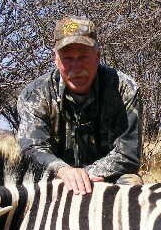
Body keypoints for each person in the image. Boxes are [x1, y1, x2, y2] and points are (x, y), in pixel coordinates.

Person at [17, 16, 143, 195]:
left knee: (132, 184)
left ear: (98, 56)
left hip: (104, 177)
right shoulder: (34, 94)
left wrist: (85, 174)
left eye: (83, 57)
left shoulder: (124, 89)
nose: (76, 67)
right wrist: (63, 170)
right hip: (56, 178)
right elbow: (31, 148)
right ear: (56, 59)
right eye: (67, 58)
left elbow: (128, 155)